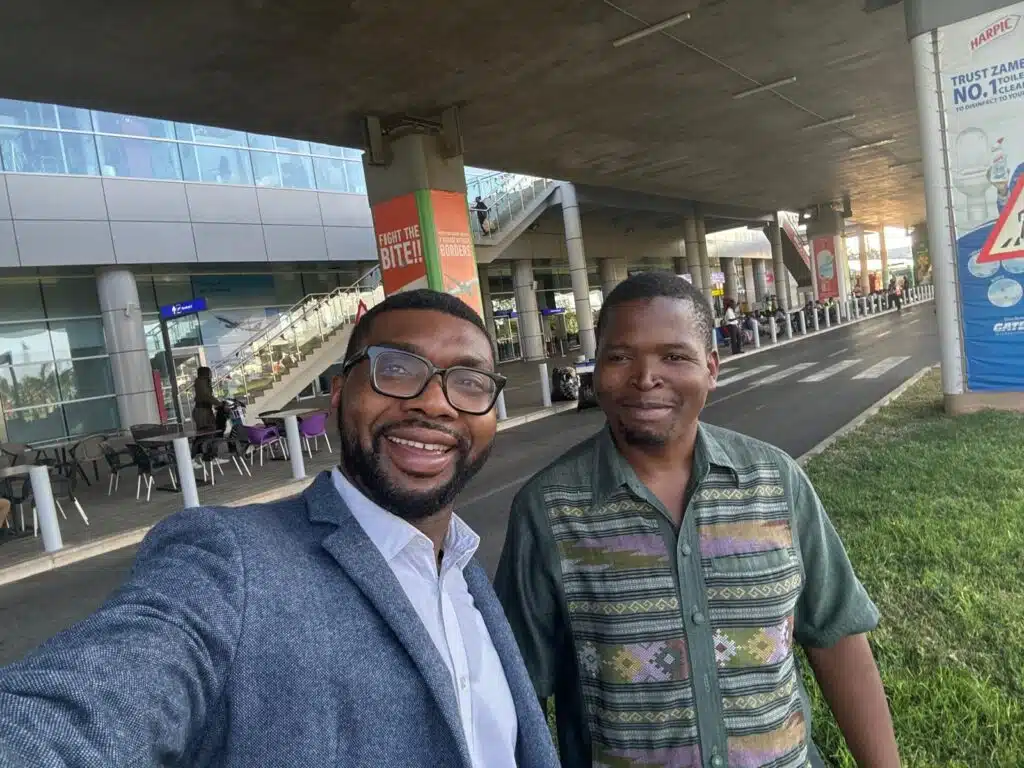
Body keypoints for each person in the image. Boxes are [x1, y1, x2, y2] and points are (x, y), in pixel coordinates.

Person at [0, 290, 559, 768]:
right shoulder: (228, 562)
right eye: (396, 370)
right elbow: (85, 706)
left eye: (468, 382)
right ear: (340, 394)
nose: (435, 403)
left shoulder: (464, 572)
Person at [495, 272, 900, 768]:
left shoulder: (776, 482)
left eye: (675, 356)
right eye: (620, 356)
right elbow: (515, 692)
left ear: (711, 368)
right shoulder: (548, 510)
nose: (646, 378)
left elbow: (836, 637)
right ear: (594, 371)